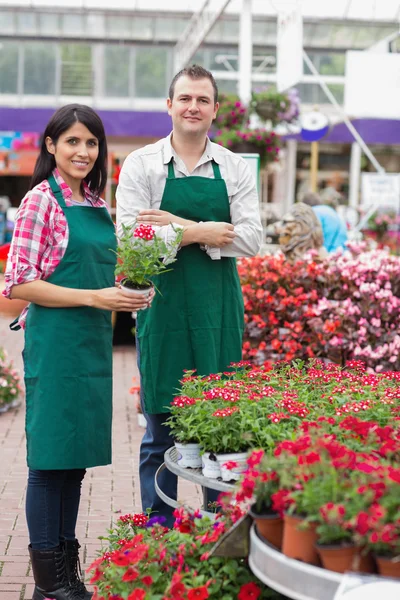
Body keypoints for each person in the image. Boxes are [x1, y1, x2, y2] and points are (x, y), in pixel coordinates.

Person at [3, 104, 152, 600]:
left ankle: (68, 576)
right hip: (55, 343)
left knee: (74, 462)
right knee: (48, 462)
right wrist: (95, 297)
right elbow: (19, 283)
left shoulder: (93, 201)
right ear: (51, 146)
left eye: (91, 143)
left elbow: (97, 273)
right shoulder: (39, 203)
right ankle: (50, 585)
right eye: (72, 142)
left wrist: (129, 289)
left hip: (90, 346)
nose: (83, 151)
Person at [116, 65, 263, 526]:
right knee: (161, 433)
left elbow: (253, 239)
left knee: (220, 432)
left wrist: (170, 225)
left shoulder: (235, 166)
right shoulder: (141, 164)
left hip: (219, 311)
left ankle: (217, 532)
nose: (193, 107)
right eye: (185, 98)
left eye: (202, 100)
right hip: (163, 311)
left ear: (215, 109)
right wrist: (202, 230)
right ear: (169, 105)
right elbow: (129, 238)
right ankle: (158, 533)